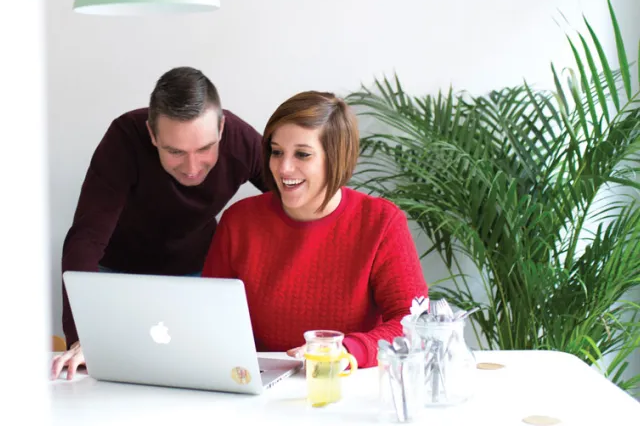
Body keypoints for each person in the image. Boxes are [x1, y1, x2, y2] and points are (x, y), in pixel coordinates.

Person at [51, 66, 267, 380]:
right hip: (117, 276)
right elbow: (86, 237)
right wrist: (82, 337)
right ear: (152, 135)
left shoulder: (241, 141)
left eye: (205, 148)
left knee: (197, 372)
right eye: (175, 151)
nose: (192, 167)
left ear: (221, 128)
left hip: (197, 275)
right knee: (111, 377)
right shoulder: (125, 138)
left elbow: (296, 197)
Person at [202, 91, 428, 368]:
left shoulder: (381, 221)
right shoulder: (239, 221)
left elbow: (413, 322)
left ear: (336, 158)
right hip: (257, 380)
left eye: (302, 154)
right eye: (276, 152)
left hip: (344, 381)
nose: (284, 168)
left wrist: (347, 350)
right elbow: (208, 316)